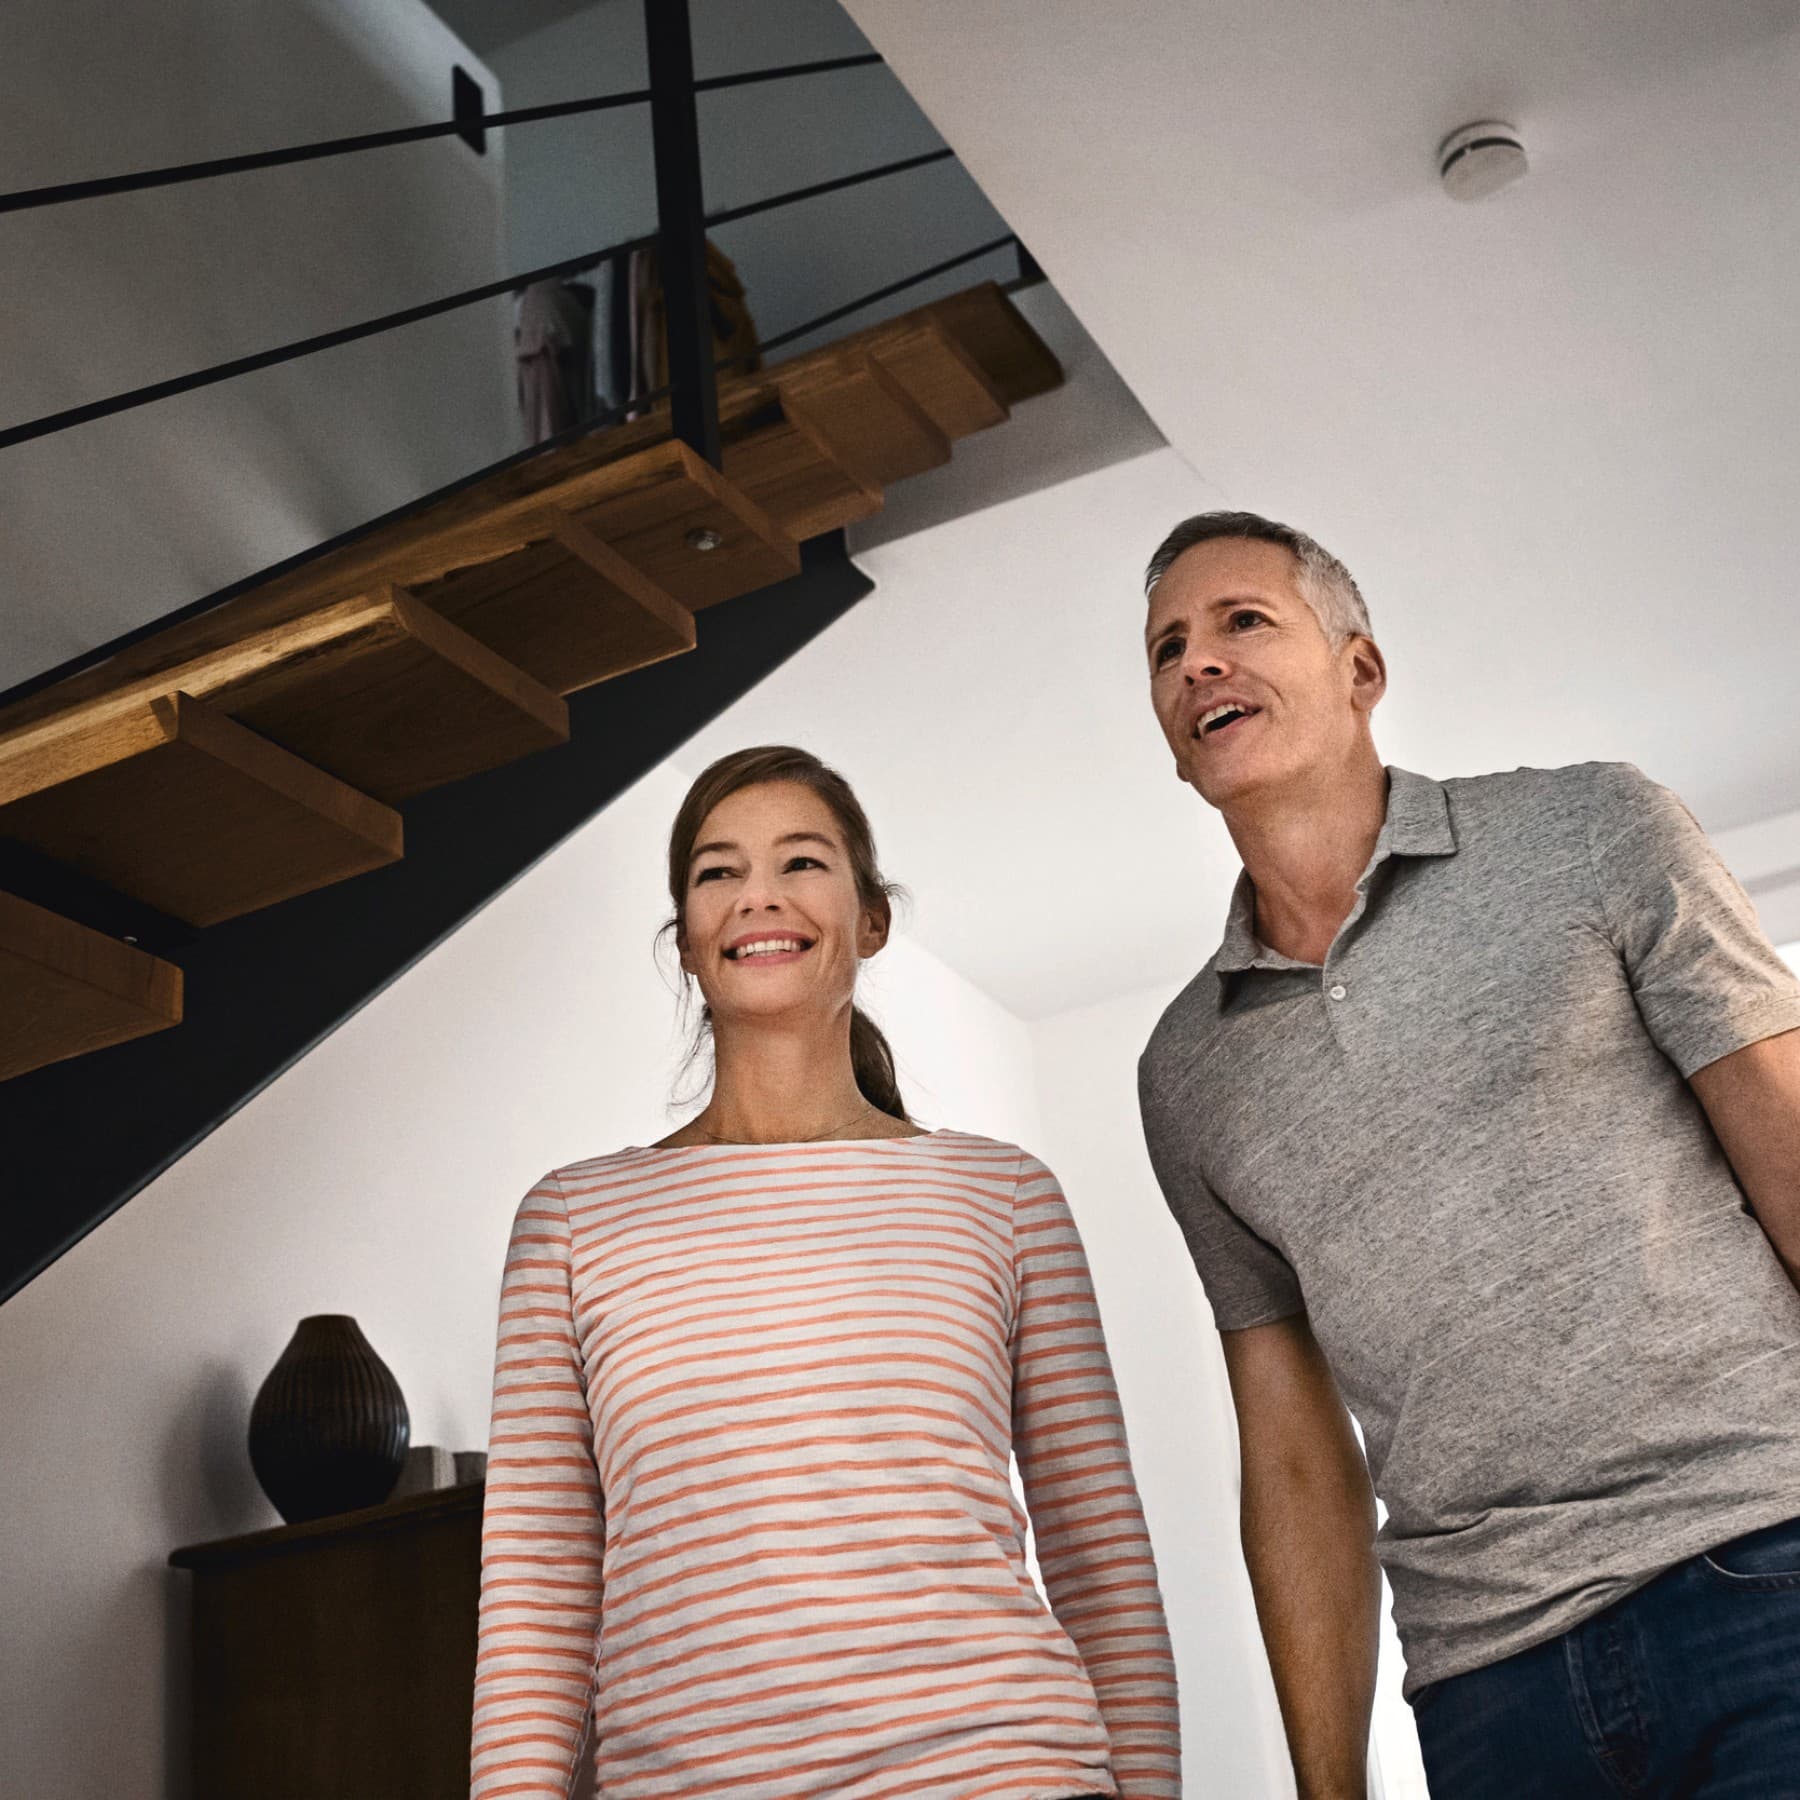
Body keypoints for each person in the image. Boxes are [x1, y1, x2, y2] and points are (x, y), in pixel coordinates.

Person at [1133, 512, 1800, 1798]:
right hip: (1487, 1688)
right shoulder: (1187, 1070)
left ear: (1361, 670)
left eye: (1242, 622)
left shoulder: (1593, 830)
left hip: (1761, 1564)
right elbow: (1292, 1454)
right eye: (1167, 650)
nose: (1197, 662)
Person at [473, 745, 1181, 1800]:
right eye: (718, 872)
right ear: (687, 942)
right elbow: (537, 1598)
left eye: (800, 862)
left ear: (872, 919)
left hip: (1000, 1770)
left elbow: (1099, 1557)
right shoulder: (575, 1223)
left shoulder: (1002, 1195)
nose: (757, 895)